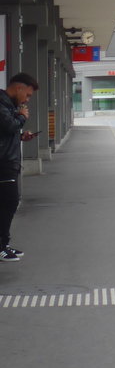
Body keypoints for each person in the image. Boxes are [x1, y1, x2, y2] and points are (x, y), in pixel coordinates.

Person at [1, 72, 39, 262]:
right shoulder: (1, 104)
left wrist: (21, 136)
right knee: (8, 203)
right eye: (28, 95)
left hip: (8, 161)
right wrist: (22, 117)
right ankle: (1, 246)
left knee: (8, 204)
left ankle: (4, 245)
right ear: (19, 88)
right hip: (3, 163)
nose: (27, 100)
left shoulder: (8, 105)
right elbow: (8, 126)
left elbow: (7, 132)